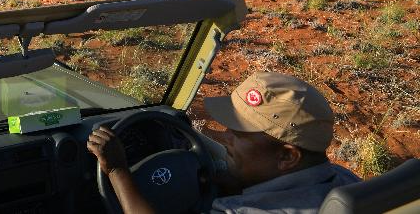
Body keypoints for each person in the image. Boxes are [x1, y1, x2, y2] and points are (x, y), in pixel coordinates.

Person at [87, 71, 361, 214]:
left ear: (288, 157)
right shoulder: (347, 183)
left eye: (239, 133)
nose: (225, 135)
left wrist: (117, 171)